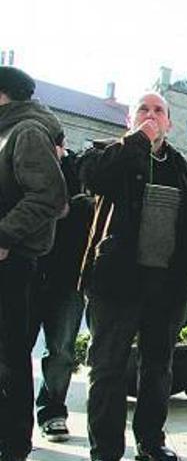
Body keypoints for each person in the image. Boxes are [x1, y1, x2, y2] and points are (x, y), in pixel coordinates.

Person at [79, 91, 187, 461]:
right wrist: (137, 140)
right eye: (143, 109)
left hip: (166, 287)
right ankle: (105, 450)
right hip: (115, 283)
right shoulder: (111, 151)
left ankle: (151, 442)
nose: (151, 115)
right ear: (129, 119)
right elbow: (92, 179)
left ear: (169, 123)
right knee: (107, 368)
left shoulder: (181, 167)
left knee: (157, 367)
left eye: (159, 111)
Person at [0, 66, 67, 461]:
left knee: (8, 359)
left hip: (12, 262)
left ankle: (11, 446)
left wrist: (5, 236)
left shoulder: (25, 130)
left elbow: (50, 196)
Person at [28, 140, 94, 443]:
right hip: (24, 273)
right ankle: (11, 414)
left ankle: (53, 411)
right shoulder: (22, 168)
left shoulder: (78, 169)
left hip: (67, 278)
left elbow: (89, 216)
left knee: (62, 351)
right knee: (12, 350)